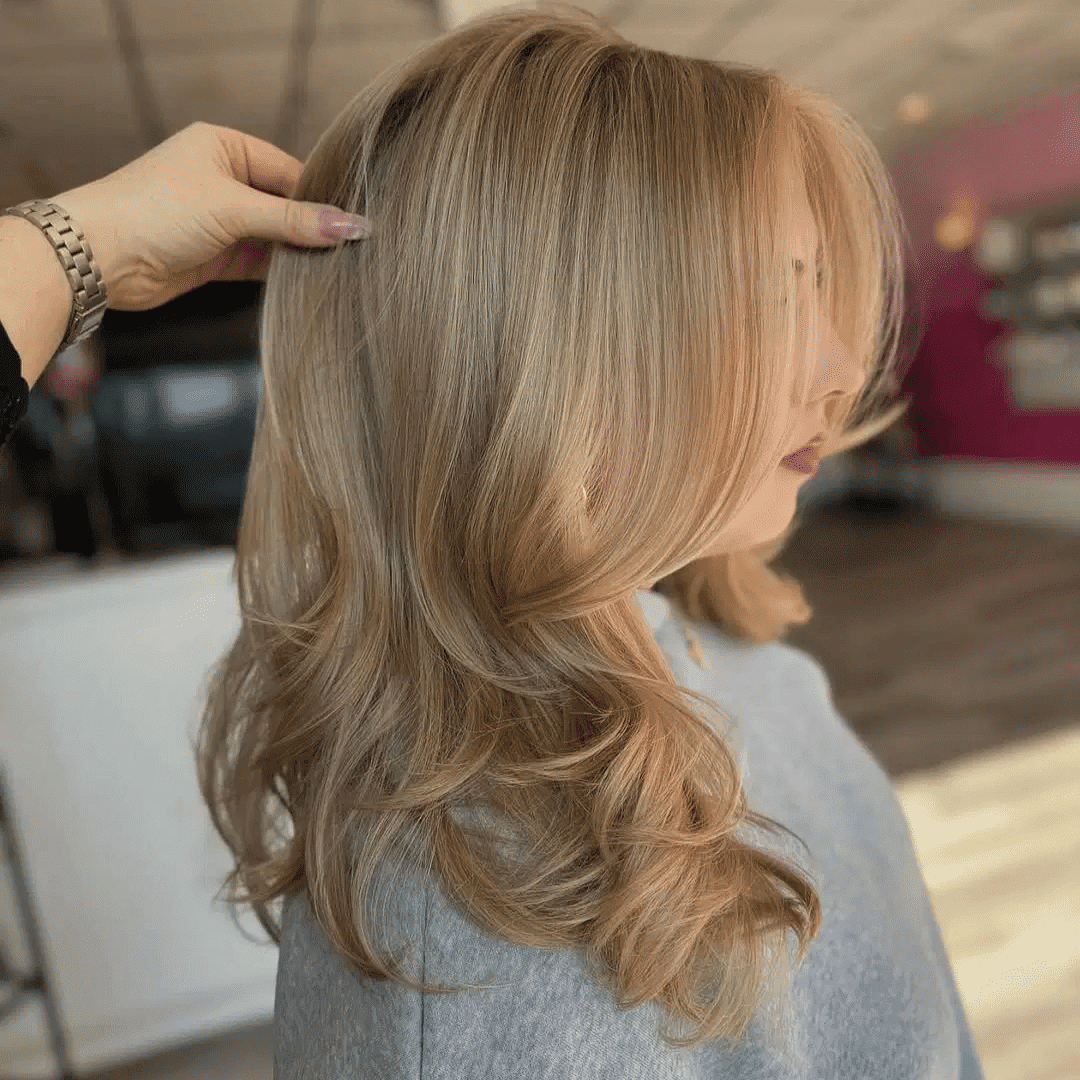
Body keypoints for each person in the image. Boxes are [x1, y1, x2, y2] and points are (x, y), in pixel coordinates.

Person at [0, 7, 986, 1079]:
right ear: (545, 363)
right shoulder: (474, 938)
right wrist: (64, 249)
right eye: (764, 293)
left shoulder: (767, 678)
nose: (843, 369)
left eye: (814, 286)